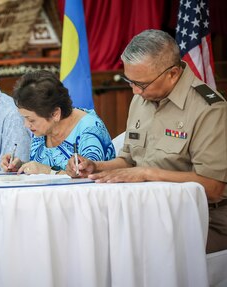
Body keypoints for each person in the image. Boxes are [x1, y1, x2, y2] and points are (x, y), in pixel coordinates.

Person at [66, 29, 227, 253]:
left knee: (137, 251)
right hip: (147, 212)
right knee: (91, 240)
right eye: (129, 81)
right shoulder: (141, 99)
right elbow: (129, 160)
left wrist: (147, 174)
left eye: (141, 84)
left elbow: (214, 188)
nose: (134, 91)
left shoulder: (208, 108)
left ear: (172, 74)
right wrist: (95, 166)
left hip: (201, 219)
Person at [0, 70, 115, 174]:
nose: (26, 124)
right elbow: (40, 167)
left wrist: (48, 172)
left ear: (55, 114)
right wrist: (21, 166)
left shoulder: (89, 130)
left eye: (31, 119)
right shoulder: (42, 129)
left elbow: (88, 177)